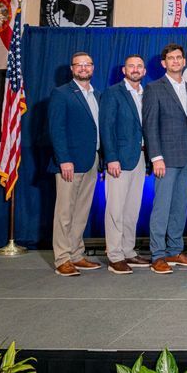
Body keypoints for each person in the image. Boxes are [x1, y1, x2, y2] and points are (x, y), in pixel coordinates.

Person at [143, 43, 187, 274]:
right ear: (164, 63)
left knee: (180, 207)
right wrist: (156, 157)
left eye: (179, 57)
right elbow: (150, 125)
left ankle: (175, 249)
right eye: (171, 58)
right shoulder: (154, 88)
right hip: (165, 158)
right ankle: (157, 254)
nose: (176, 61)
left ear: (184, 61)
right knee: (162, 208)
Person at [48, 52, 103, 276]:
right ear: (72, 69)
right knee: (65, 212)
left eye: (87, 64)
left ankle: (76, 254)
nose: (83, 68)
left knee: (81, 211)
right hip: (69, 162)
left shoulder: (97, 95)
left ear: (93, 68)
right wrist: (64, 159)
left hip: (91, 160)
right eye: (79, 65)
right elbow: (56, 129)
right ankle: (62, 258)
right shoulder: (61, 94)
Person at [99, 54, 151, 275]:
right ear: (124, 70)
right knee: (116, 209)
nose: (135, 69)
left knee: (132, 209)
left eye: (139, 66)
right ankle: (115, 255)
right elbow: (107, 127)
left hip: (140, 158)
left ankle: (128, 250)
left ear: (144, 71)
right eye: (131, 66)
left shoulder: (146, 94)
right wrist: (111, 158)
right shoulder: (113, 93)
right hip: (119, 159)